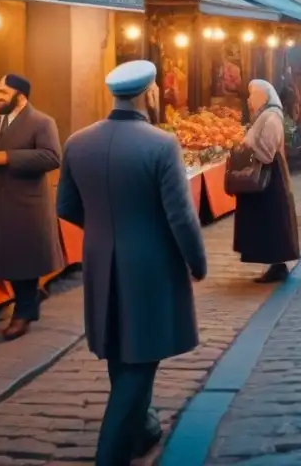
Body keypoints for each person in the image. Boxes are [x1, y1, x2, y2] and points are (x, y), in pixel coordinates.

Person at [56, 60, 206, 465]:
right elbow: (180, 215)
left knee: (121, 348)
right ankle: (110, 454)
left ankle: (141, 430)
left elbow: (66, 206)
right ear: (149, 93)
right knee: (142, 356)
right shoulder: (160, 143)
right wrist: (197, 261)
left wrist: (106, 230)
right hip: (151, 264)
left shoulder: (77, 141)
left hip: (100, 259)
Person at [0, 74, 63, 340]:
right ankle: (30, 299)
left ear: (20, 96)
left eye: (3, 92)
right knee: (8, 259)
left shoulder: (42, 122)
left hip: (27, 204)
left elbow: (51, 157)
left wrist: (8, 157)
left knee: (24, 260)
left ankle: (22, 313)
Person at [233, 80, 301, 282]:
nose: (249, 100)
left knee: (272, 220)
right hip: (268, 174)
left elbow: (267, 151)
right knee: (267, 221)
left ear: (263, 95)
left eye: (252, 95)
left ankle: (277, 265)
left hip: (269, 176)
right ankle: (274, 264)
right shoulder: (264, 116)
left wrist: (246, 147)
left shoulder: (270, 117)